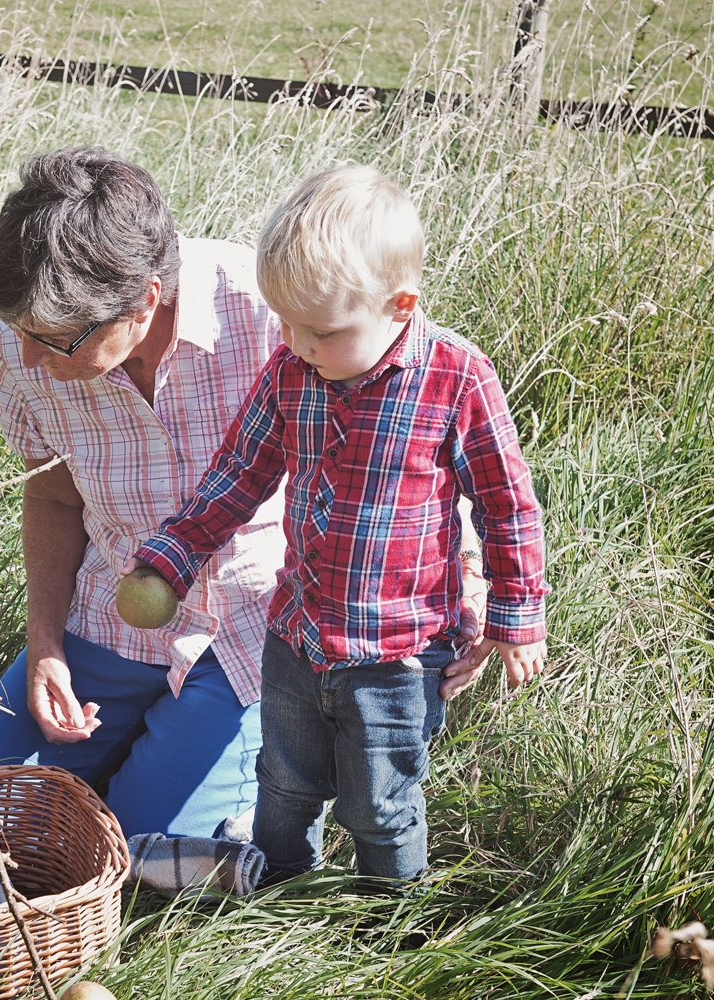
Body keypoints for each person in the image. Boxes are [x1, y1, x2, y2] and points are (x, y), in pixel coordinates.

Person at [128, 164, 550, 887]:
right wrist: (171, 556)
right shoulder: (292, 373)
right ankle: (286, 897)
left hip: (399, 656)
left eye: (319, 330)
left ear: (399, 304)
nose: (295, 341)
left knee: (379, 808)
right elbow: (236, 476)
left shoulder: (457, 377)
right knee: (284, 789)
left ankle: (389, 929)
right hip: (296, 640)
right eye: (285, 322)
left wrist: (515, 618)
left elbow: (506, 505)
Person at [0, 146, 288, 842]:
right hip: (114, 614)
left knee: (142, 841)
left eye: (52, 340)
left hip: (254, 626)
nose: (28, 358)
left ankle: (275, 790)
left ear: (144, 301)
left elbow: (401, 448)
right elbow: (52, 499)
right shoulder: (27, 343)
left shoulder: (269, 314)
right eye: (20, 332)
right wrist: (46, 644)